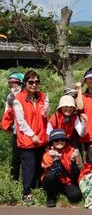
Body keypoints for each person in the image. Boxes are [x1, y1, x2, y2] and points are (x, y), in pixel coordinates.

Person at [13, 70, 49, 204]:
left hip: (41, 138)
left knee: (41, 166)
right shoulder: (19, 100)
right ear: (25, 82)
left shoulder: (43, 96)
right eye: (31, 82)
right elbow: (21, 122)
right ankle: (26, 192)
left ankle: (38, 189)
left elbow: (45, 117)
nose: (34, 85)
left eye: (36, 82)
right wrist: (32, 135)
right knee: (29, 167)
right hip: (27, 139)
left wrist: (46, 112)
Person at [41, 129, 82, 207]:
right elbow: (57, 172)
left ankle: (63, 191)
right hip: (53, 181)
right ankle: (51, 196)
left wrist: (74, 161)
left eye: (62, 139)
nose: (60, 142)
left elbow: (75, 175)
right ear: (52, 142)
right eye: (56, 140)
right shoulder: (47, 155)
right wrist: (55, 159)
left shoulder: (72, 151)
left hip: (67, 182)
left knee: (76, 196)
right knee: (50, 176)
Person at [2, 72, 24, 182]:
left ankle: (30, 183)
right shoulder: (10, 96)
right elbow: (7, 112)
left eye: (15, 84)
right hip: (16, 131)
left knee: (27, 159)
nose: (13, 87)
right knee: (15, 158)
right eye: (11, 84)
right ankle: (14, 181)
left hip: (27, 132)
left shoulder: (26, 95)